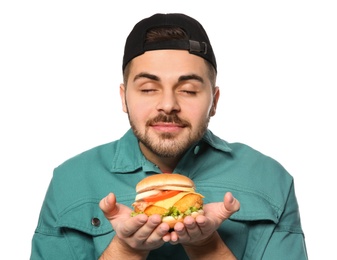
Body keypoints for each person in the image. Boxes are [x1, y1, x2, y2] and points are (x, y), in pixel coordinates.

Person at [30, 13, 308, 259]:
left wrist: (206, 247)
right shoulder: (70, 180)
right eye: (149, 88)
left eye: (188, 90)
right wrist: (127, 251)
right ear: (124, 98)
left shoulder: (270, 179)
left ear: (214, 101)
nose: (167, 104)